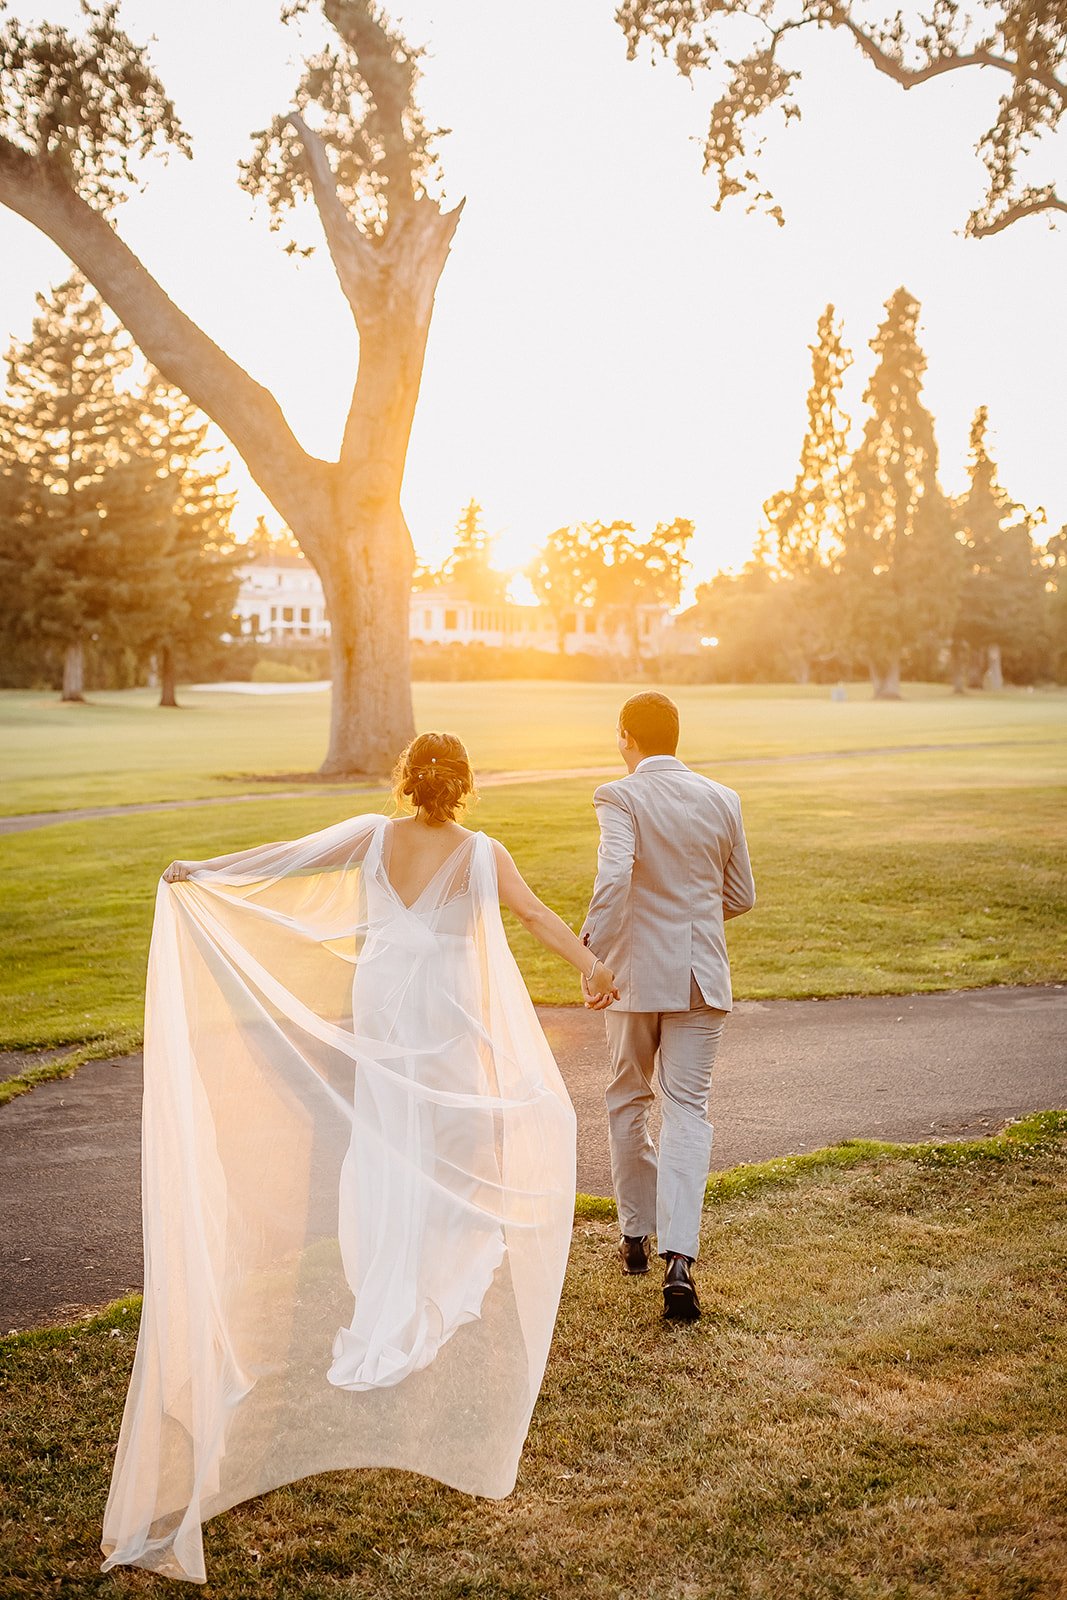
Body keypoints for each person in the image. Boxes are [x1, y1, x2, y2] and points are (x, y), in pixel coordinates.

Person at [101, 732, 616, 1584]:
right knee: (449, 1139)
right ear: (465, 788)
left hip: (383, 1003)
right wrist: (591, 964)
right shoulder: (483, 854)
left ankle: (390, 1272)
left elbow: (283, 861)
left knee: (388, 1139)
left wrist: (202, 868)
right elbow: (533, 917)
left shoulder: (371, 836)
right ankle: (426, 1271)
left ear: (408, 781)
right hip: (443, 1012)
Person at [580, 693, 755, 1322]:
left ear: (627, 737)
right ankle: (679, 1259)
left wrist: (593, 955)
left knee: (628, 1097)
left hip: (631, 977)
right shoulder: (722, 798)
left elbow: (613, 878)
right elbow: (741, 893)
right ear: (675, 737)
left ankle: (634, 1238)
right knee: (689, 1111)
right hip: (701, 976)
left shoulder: (619, 795)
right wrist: (691, 921)